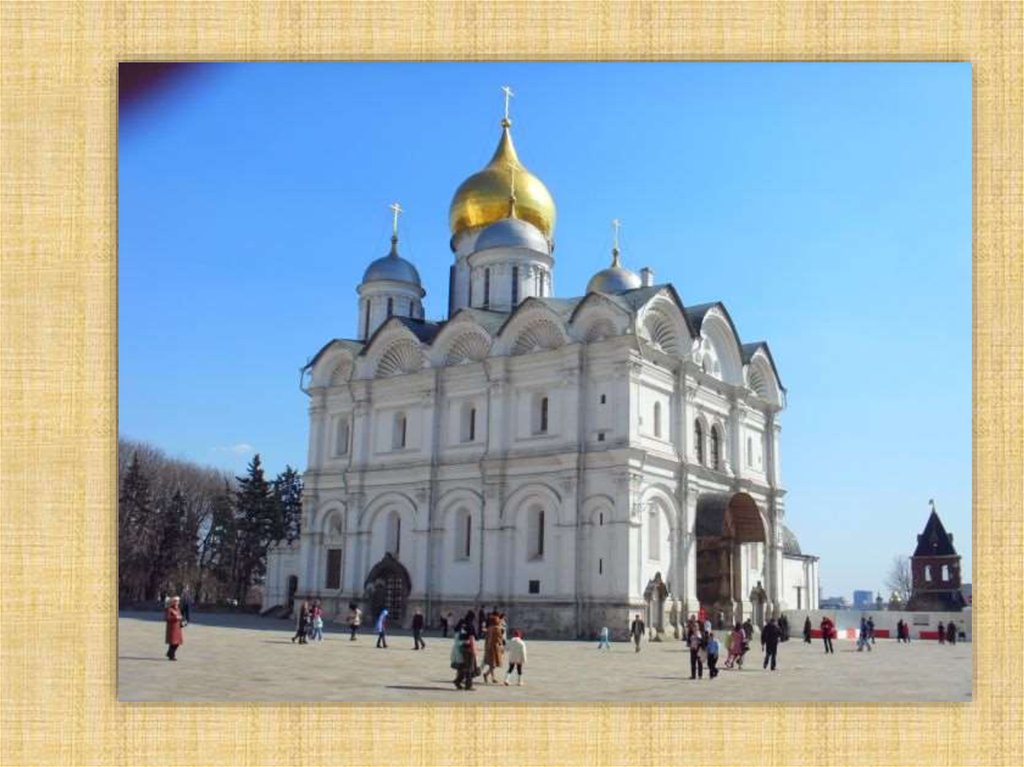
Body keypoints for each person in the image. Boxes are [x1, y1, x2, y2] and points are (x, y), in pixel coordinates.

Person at [480, 615, 505, 683]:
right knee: (494, 664)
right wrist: (502, 646)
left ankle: (489, 675)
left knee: (492, 664)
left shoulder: (489, 628)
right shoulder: (497, 628)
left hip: (489, 647)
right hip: (495, 648)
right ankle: (490, 676)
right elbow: (499, 639)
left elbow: (486, 638)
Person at [452, 626, 478, 691]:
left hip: (463, 650)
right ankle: (468, 685)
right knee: (469, 668)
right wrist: (474, 651)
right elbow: (472, 641)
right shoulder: (470, 631)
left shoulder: (462, 632)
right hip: (469, 651)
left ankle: (458, 681)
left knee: (464, 667)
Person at [164, 595, 184, 661]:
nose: (178, 602)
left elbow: (180, 616)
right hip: (172, 628)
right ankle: (171, 655)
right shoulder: (169, 609)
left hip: (177, 628)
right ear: (173, 602)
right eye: (176, 601)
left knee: (177, 643)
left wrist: (182, 622)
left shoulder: (178, 609)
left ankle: (169, 653)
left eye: (178, 601)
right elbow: (167, 618)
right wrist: (176, 617)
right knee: (173, 643)